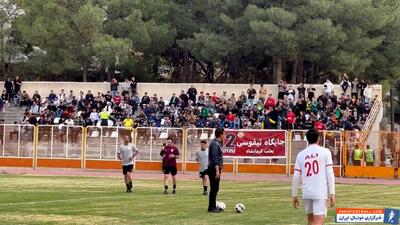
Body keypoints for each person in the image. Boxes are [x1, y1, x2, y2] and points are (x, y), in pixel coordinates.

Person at [292, 128, 335, 225]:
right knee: (318, 223)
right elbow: (330, 173)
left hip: (306, 192)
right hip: (320, 192)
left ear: (307, 139)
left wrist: (294, 195)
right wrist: (332, 193)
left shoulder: (300, 154)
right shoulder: (325, 152)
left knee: (310, 222)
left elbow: (295, 176)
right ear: (318, 138)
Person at [208, 127, 225, 213]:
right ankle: (211, 207)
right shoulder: (215, 144)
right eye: (224, 134)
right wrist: (217, 170)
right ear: (221, 134)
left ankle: (213, 206)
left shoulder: (217, 143)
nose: (224, 136)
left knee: (215, 188)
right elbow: (215, 158)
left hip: (215, 168)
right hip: (214, 169)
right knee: (214, 188)